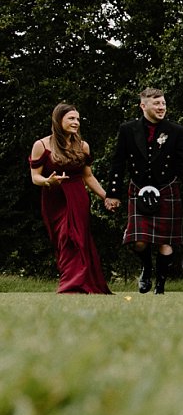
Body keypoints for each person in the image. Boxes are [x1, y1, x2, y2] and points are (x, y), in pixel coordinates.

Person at [106, 85, 183, 294]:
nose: (161, 107)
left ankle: (160, 286)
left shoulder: (176, 131)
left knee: (165, 244)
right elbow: (118, 162)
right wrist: (112, 193)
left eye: (163, 103)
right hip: (139, 190)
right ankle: (147, 268)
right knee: (139, 241)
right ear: (143, 105)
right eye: (156, 103)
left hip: (166, 189)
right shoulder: (128, 129)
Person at [29, 103, 114, 293]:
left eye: (77, 119)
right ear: (58, 120)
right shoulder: (41, 145)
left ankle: (73, 285)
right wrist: (48, 182)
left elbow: (88, 176)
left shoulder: (83, 146)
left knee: (77, 238)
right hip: (54, 198)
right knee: (63, 240)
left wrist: (106, 197)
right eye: (71, 119)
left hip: (77, 196)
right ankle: (74, 282)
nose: (76, 122)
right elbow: (35, 177)